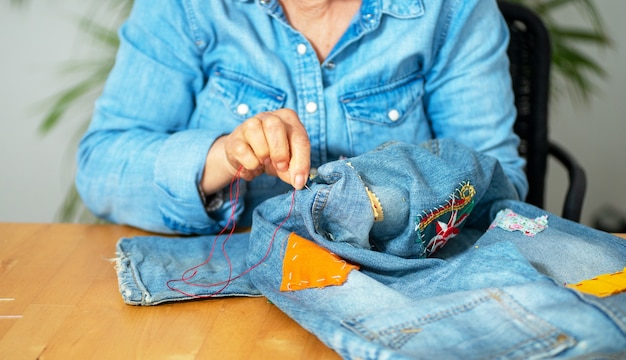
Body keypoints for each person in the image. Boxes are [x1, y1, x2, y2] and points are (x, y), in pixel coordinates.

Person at [76, 0, 528, 235]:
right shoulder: (186, 8)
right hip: (225, 296)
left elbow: (495, 183)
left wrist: (371, 204)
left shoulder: (453, 9)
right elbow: (101, 168)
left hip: (401, 292)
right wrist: (224, 157)